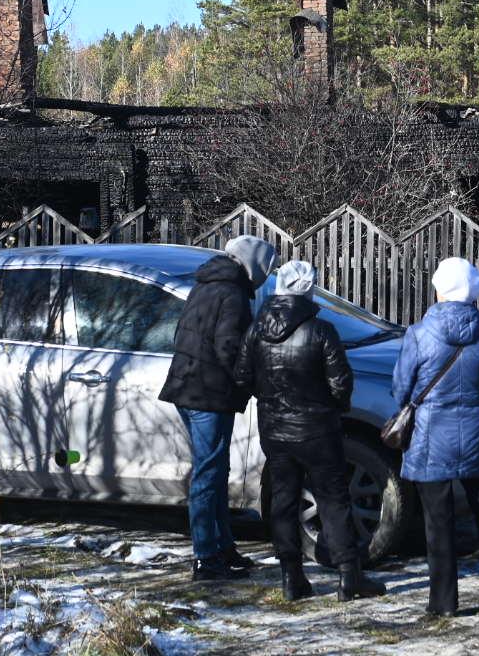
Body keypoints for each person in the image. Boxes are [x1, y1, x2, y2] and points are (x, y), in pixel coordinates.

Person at [234, 261, 386, 602]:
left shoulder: (257, 329)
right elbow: (340, 383)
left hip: (275, 429)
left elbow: (242, 377)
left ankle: (292, 578)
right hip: (318, 429)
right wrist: (333, 407)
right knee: (334, 500)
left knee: (283, 502)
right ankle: (350, 577)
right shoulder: (321, 330)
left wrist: (271, 398)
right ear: (308, 290)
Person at [392, 257, 479, 617]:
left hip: (431, 440)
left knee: (438, 521)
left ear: (440, 289)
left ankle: (443, 603)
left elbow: (401, 390)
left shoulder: (418, 334)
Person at [158, 234, 277, 580]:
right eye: (265, 268)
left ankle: (222, 547)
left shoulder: (208, 285)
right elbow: (229, 347)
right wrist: (250, 381)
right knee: (209, 475)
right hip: (207, 393)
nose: (266, 276)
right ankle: (206, 556)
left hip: (191, 387)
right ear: (253, 264)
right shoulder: (232, 293)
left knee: (214, 470)